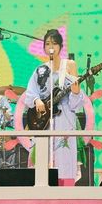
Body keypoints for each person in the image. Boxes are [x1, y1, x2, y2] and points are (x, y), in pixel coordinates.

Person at [24, 29, 85, 186]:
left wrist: (76, 92)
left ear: (61, 46)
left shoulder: (69, 65)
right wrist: (37, 100)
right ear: (44, 47)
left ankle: (65, 191)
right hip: (44, 121)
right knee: (44, 158)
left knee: (65, 156)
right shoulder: (40, 70)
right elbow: (30, 92)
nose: (51, 47)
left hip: (65, 118)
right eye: (47, 44)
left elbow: (75, 103)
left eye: (54, 43)